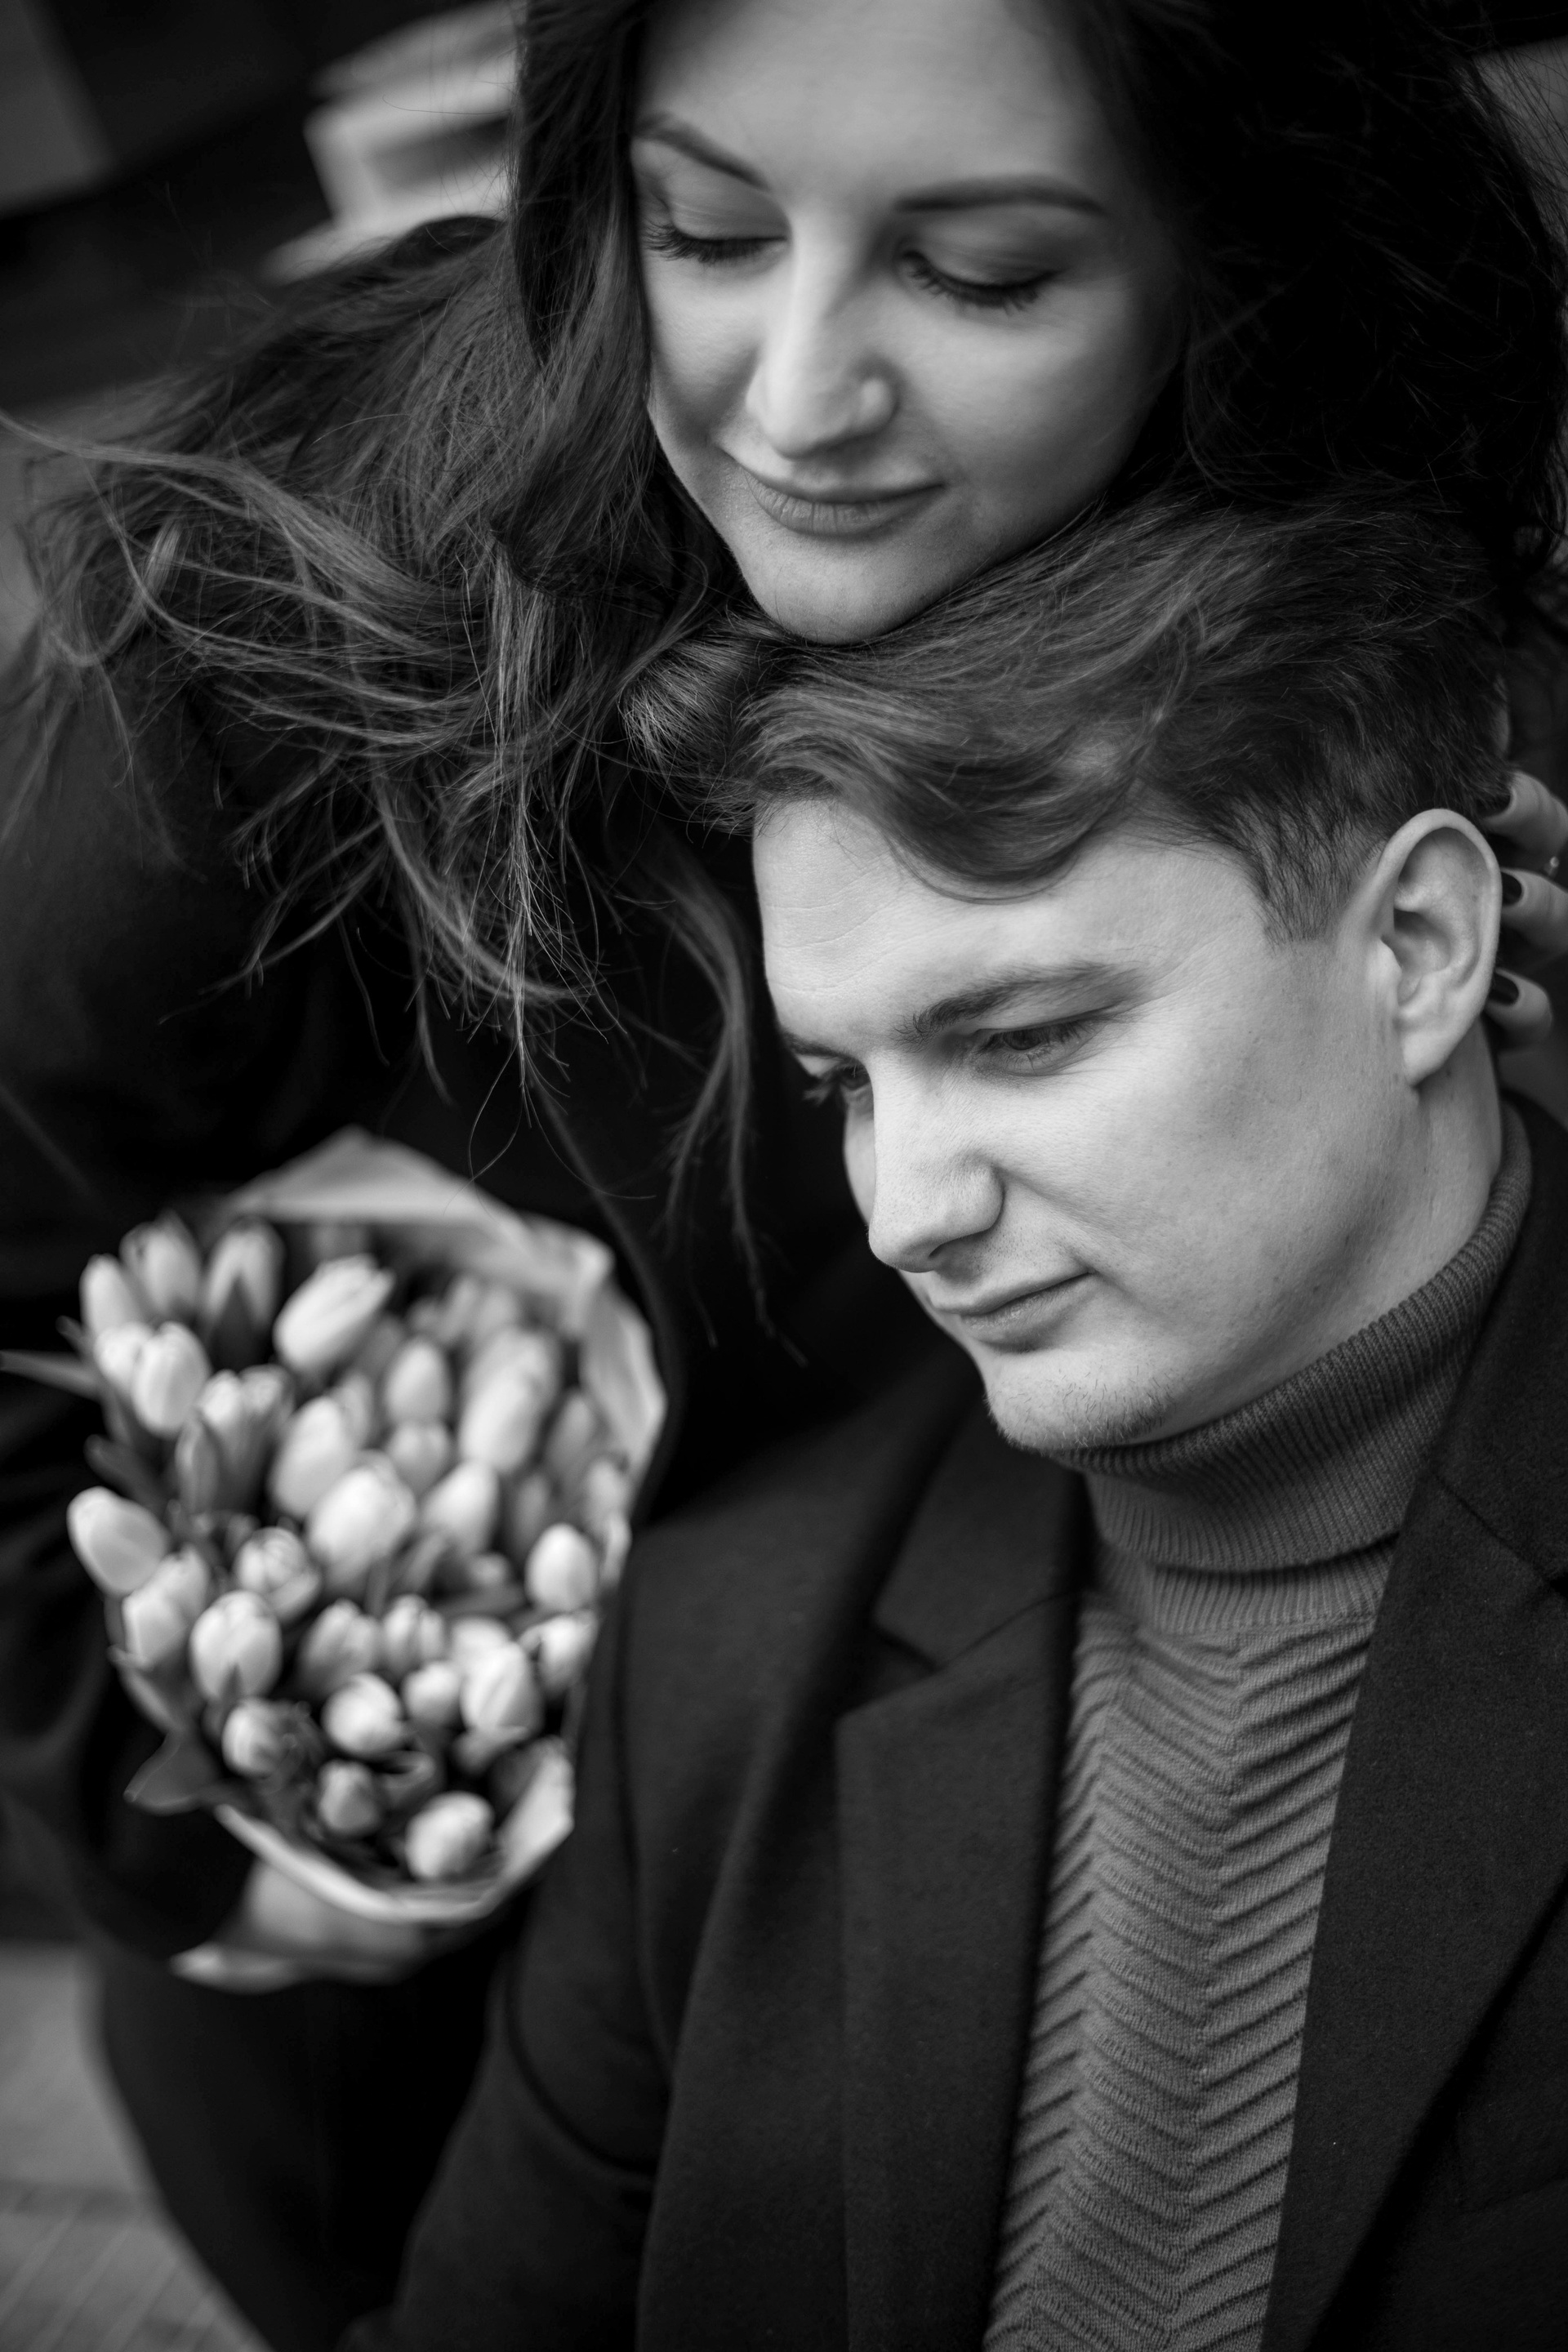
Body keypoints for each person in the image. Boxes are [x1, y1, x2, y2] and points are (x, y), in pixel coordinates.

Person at [5, 0, 1568, 2341]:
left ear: (1230, 253)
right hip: (476, 1915)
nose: (794, 397)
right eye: (708, 230)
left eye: (981, 269)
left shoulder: (1392, 531)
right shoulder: (303, 618)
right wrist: (189, 1808)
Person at [361, 490, 1568, 2352]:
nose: (906, 1214)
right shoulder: (720, 1659)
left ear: (1415, 945)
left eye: (1020, 1038)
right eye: (844, 1085)